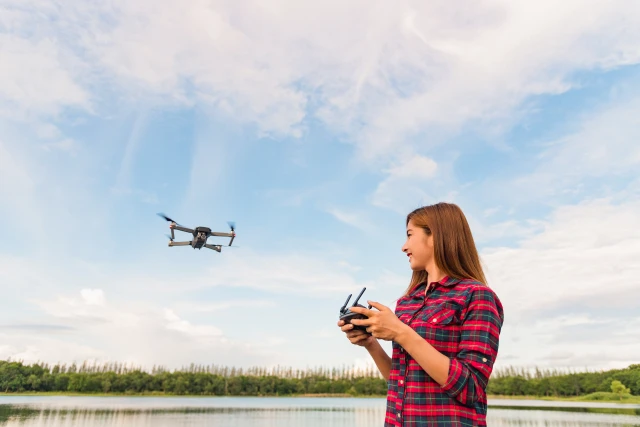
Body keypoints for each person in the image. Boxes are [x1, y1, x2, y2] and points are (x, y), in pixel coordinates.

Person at [338, 202, 504, 426]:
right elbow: (401, 381)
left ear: (435, 235)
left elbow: (470, 388)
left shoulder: (476, 296)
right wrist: (371, 344)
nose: (404, 247)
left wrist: (401, 333)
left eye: (409, 235)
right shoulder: (408, 302)